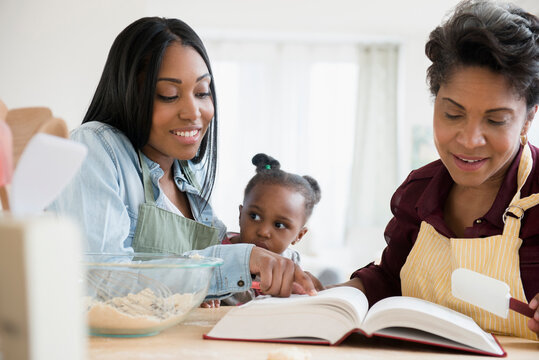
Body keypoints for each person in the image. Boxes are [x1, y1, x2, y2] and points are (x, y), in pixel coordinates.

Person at [47, 17, 315, 300]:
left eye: (202, 92)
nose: (193, 111)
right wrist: (239, 261)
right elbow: (103, 281)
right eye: (169, 95)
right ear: (129, 94)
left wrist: (281, 267)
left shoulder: (188, 176)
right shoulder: (95, 146)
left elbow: (226, 256)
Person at [327, 0, 539, 340]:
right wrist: (324, 297)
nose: (469, 140)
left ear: (528, 118)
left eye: (496, 120)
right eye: (452, 114)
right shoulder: (418, 191)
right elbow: (390, 279)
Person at [220, 153, 321, 305]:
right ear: (241, 215)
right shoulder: (219, 253)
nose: (263, 232)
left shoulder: (291, 262)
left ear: (299, 235)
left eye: (279, 225)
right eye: (254, 216)